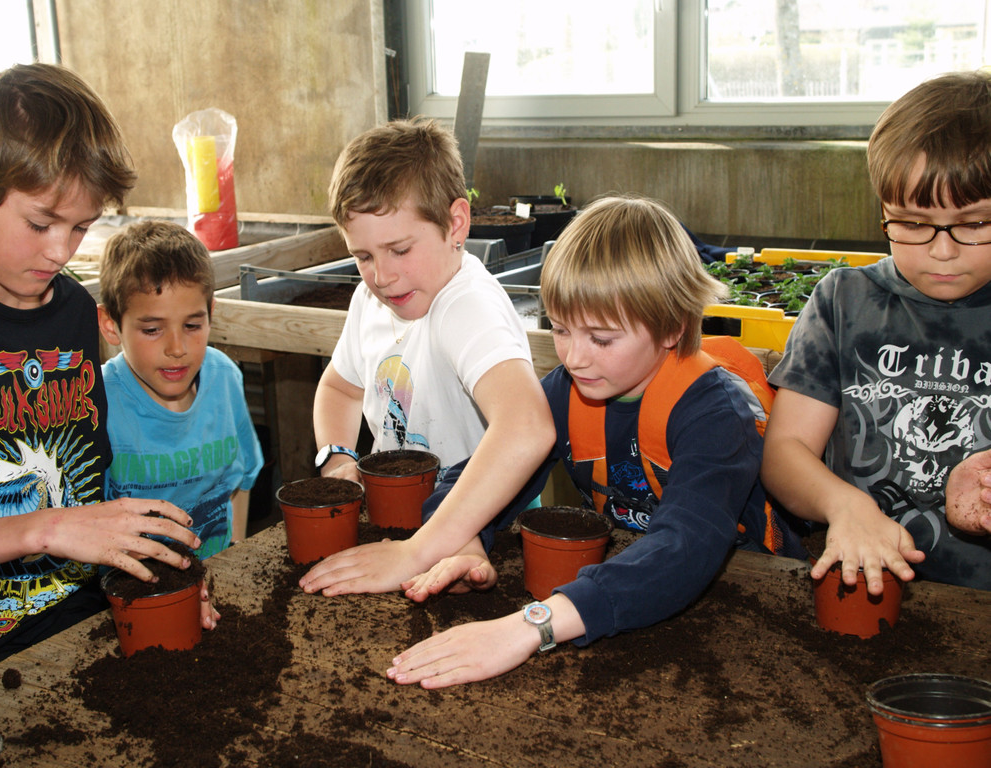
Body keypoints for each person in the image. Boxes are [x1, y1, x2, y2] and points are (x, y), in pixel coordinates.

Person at [385, 195, 806, 688]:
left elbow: (683, 549)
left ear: (672, 327)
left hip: (752, 599)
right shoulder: (569, 390)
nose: (575, 358)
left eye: (601, 339)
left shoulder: (717, 413)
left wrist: (529, 627)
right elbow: (478, 471)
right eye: (560, 329)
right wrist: (467, 542)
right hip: (623, 590)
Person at [0, 63, 203, 662]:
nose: (61, 251)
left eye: (81, 227)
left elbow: (88, 484)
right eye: (40, 223)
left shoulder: (75, 313)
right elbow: (62, 525)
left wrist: (154, 584)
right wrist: (43, 528)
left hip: (76, 621)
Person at [298, 118, 555, 597]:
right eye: (363, 256)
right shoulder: (370, 300)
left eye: (399, 250)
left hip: (487, 521)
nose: (382, 276)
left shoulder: (466, 305)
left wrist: (419, 551)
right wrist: (337, 458)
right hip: (402, 516)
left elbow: (528, 427)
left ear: (455, 224)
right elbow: (340, 387)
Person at [762, 69, 991, 595]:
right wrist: (845, 504)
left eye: (975, 224)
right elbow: (785, 451)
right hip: (858, 587)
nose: (942, 251)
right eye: (912, 223)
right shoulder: (843, 301)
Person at [97, 219, 263, 559]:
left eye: (192, 325)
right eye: (152, 330)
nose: (177, 348)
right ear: (111, 325)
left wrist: (234, 558)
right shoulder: (96, 401)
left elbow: (242, 477)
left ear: (211, 314)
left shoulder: (224, 378)